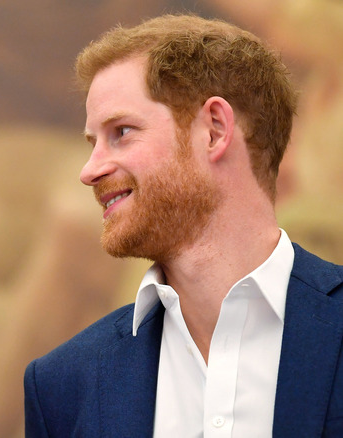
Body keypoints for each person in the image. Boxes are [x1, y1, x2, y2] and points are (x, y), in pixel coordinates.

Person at [23, 14, 343, 437]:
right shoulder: (63, 385)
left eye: (121, 131)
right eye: (92, 142)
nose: (90, 170)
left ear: (214, 131)